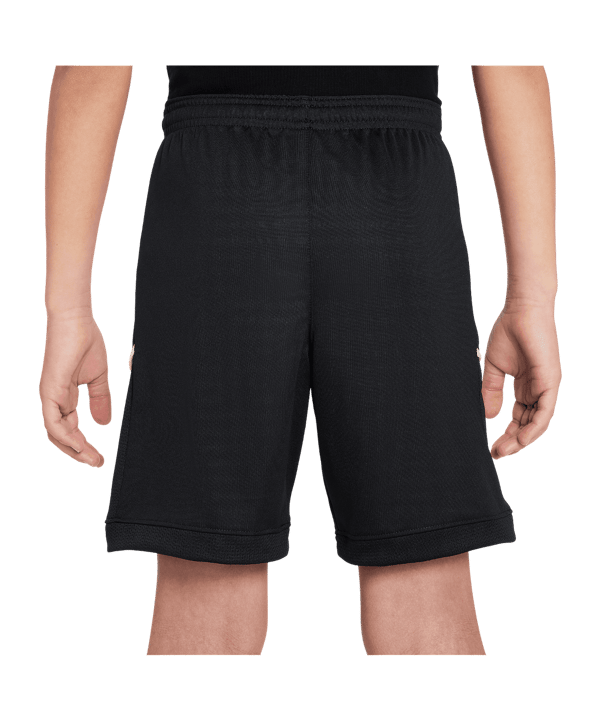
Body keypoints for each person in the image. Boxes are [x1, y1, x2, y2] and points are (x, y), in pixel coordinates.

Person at [39, 65, 561, 656]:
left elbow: (94, 62)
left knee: (207, 590)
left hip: (218, 195)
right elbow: (510, 57)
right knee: (424, 591)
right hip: (395, 198)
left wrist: (68, 308)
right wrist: (530, 298)